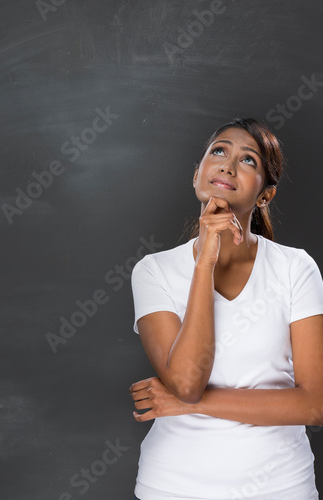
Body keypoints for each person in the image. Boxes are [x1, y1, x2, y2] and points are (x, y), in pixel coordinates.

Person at [128, 118, 323, 500]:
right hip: (173, 487)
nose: (228, 165)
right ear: (197, 173)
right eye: (218, 151)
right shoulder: (154, 271)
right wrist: (204, 264)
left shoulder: (296, 268)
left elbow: (314, 405)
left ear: (265, 195)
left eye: (248, 160)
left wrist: (186, 405)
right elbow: (187, 382)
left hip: (280, 487)